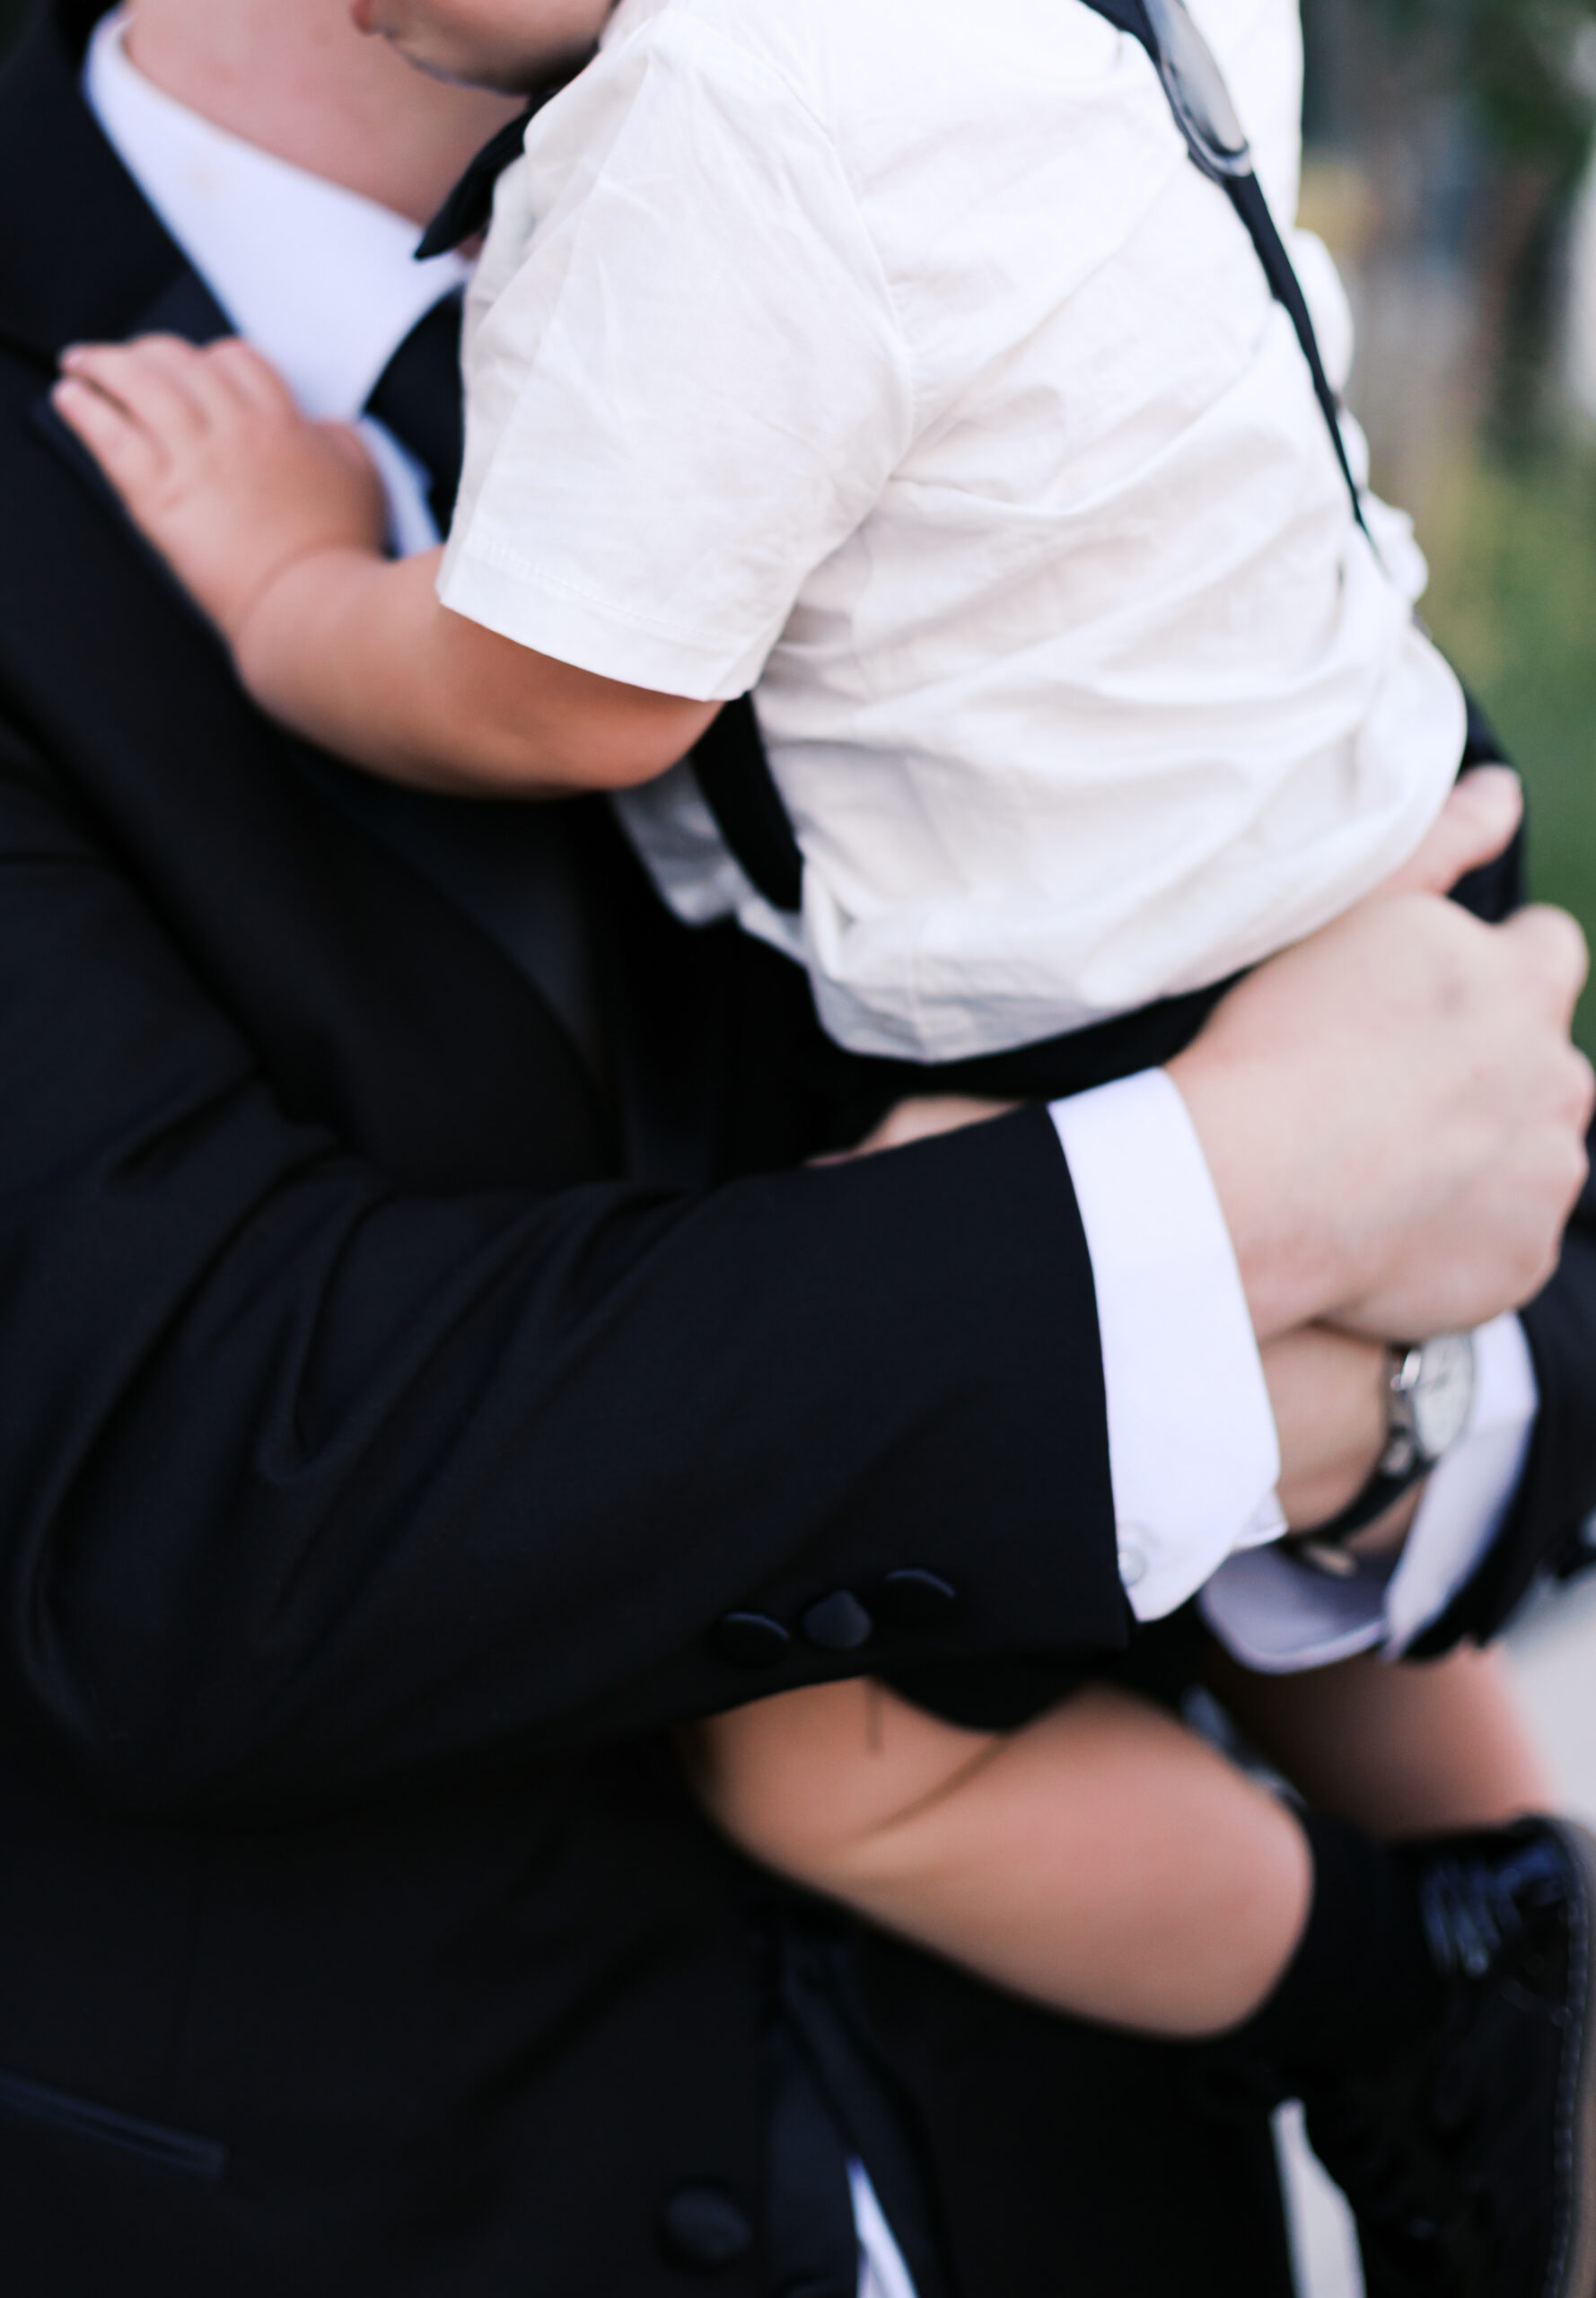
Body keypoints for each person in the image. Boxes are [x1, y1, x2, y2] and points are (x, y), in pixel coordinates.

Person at [3, 4, 1593, 2295]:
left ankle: (1448, 1959)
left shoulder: (984, 128)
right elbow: (193, 1509)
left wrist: (1392, 1399)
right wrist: (1208, 1212)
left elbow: (1488, 1092)